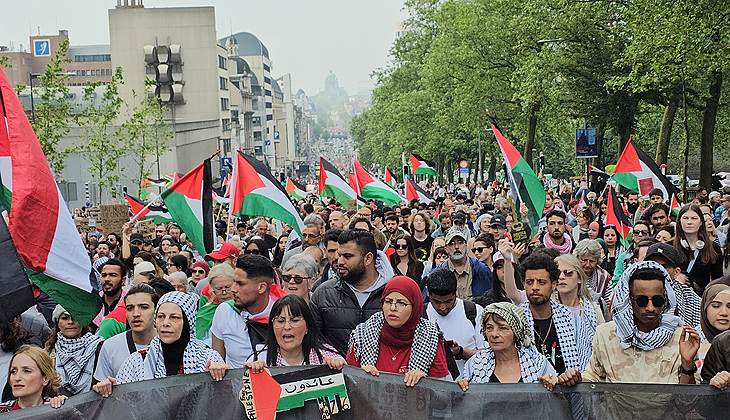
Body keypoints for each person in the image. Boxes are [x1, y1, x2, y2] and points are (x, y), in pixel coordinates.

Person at [558, 261, 699, 385]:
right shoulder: (606, 334)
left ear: (665, 299)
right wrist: (572, 380)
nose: (650, 308)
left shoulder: (682, 338)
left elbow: (687, 403)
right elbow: (593, 380)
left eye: (657, 301)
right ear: (628, 300)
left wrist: (688, 366)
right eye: (642, 301)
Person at [95, 292, 227, 396]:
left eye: (174, 317)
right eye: (161, 316)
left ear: (188, 323)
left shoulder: (207, 358)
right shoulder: (137, 361)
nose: (165, 323)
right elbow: (125, 404)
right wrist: (110, 388)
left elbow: (220, 404)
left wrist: (219, 373)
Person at [347, 276, 450, 386]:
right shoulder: (363, 334)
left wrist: (425, 383)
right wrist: (359, 376)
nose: (392, 308)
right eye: (388, 301)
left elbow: (441, 393)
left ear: (415, 306)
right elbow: (348, 382)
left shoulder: (430, 338)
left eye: (401, 303)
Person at [502, 249, 592, 374]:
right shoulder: (514, 322)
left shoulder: (571, 320)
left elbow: (585, 364)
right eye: (529, 282)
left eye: (541, 282)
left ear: (553, 285)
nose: (535, 287)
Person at [310, 230, 395, 355]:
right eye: (340, 255)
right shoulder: (324, 294)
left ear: (368, 258)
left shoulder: (396, 294)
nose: (339, 262)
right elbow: (314, 342)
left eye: (347, 256)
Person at [456, 303, 557, 389]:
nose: (494, 334)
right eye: (489, 328)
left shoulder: (537, 362)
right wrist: (460, 389)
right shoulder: (475, 363)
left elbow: (556, 399)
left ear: (517, 333)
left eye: (503, 328)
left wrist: (553, 383)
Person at [211, 255, 277, 368]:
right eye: (234, 282)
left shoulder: (282, 314)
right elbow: (216, 359)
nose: (233, 289)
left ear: (261, 287)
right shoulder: (224, 311)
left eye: (240, 284)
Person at [244, 295, 344, 369]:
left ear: (307, 327)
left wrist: (338, 367)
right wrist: (249, 373)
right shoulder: (259, 358)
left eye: (295, 320)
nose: (287, 327)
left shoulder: (326, 357)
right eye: (280, 321)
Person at [94, 284, 159, 384]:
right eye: (130, 308)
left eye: (144, 307)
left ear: (156, 311)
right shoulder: (110, 346)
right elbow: (101, 388)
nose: (136, 313)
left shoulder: (167, 344)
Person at [425, 269, 485, 375]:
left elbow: (487, 355)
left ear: (456, 292)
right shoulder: (421, 314)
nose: (442, 307)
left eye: (448, 301)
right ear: (428, 293)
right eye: (437, 302)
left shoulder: (474, 312)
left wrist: (461, 352)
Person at [45, 306, 104, 396]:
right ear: (58, 323)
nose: (70, 322)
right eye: (65, 318)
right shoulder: (49, 353)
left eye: (75, 317)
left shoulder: (99, 347)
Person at [644, 242, 702, 327]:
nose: (657, 269)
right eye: (652, 264)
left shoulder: (692, 301)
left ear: (676, 272)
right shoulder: (631, 292)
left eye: (664, 266)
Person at [674, 204, 723, 295]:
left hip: (701, 300)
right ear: (679, 222)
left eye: (694, 218)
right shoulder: (670, 247)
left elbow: (718, 281)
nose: (689, 222)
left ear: (701, 222)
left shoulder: (713, 248)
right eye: (685, 218)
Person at [0, 346, 67, 412]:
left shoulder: (56, 409)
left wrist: (65, 409)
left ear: (46, 379)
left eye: (27, 371)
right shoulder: (2, 412)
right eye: (13, 372)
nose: (17, 378)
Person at [553, 254, 604, 334]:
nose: (561, 277)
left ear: (579, 278)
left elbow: (603, 340)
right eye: (558, 273)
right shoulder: (547, 310)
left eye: (568, 273)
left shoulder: (594, 311)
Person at [439, 229, 492, 301]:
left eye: (460, 243)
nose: (457, 246)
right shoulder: (439, 273)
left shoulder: (482, 270)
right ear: (446, 249)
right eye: (452, 243)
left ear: (466, 245)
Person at [573, 239, 613, 305]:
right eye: (584, 260)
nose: (588, 265)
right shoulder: (570, 274)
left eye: (592, 261)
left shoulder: (604, 277)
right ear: (577, 258)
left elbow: (608, 302)